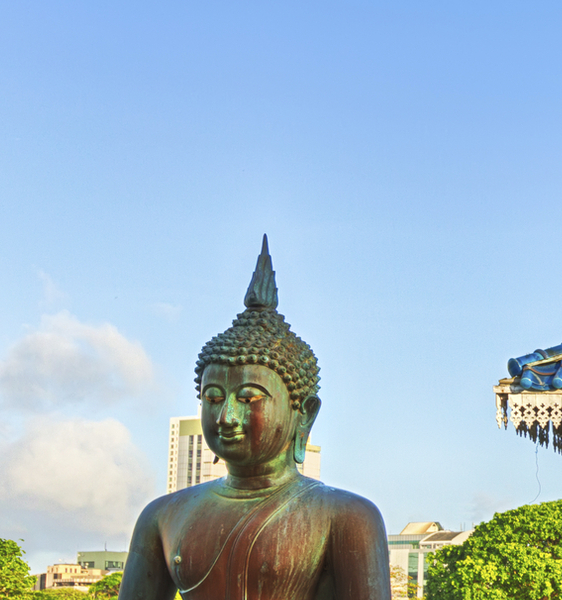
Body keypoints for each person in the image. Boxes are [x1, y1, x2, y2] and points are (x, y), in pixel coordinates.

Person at [120, 238, 390, 600]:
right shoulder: (162, 516)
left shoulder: (345, 517)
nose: (227, 416)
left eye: (249, 398)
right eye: (213, 398)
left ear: (304, 414)